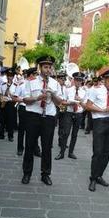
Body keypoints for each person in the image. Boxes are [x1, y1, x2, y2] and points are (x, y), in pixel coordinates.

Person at [21, 56, 62, 186]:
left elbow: (60, 102)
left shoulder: (55, 84)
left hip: (49, 116)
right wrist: (38, 97)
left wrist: (53, 94)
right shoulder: (31, 82)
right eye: (45, 67)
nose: (48, 70)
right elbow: (25, 100)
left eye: (50, 67)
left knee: (47, 146)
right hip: (34, 115)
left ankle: (45, 174)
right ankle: (27, 173)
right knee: (29, 145)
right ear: (40, 68)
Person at [86, 70, 109, 192]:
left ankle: (99, 175)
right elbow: (88, 106)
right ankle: (93, 178)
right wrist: (103, 110)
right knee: (98, 151)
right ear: (104, 79)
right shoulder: (96, 89)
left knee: (107, 152)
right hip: (99, 122)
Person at [55, 72, 87, 160]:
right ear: (74, 80)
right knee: (66, 133)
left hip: (78, 114)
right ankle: (61, 152)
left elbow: (86, 106)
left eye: (80, 80)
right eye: (77, 80)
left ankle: (71, 152)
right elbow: (63, 102)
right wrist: (70, 103)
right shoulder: (68, 90)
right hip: (69, 113)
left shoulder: (84, 92)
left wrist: (80, 101)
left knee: (75, 134)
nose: (78, 82)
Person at [0, 68, 17, 141]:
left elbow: (16, 96)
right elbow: (0, 93)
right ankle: (1, 134)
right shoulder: (3, 84)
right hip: (3, 103)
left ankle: (10, 136)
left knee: (10, 120)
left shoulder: (15, 85)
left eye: (11, 76)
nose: (9, 77)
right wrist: (1, 97)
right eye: (8, 75)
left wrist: (10, 94)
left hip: (11, 104)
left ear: (13, 76)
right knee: (2, 120)